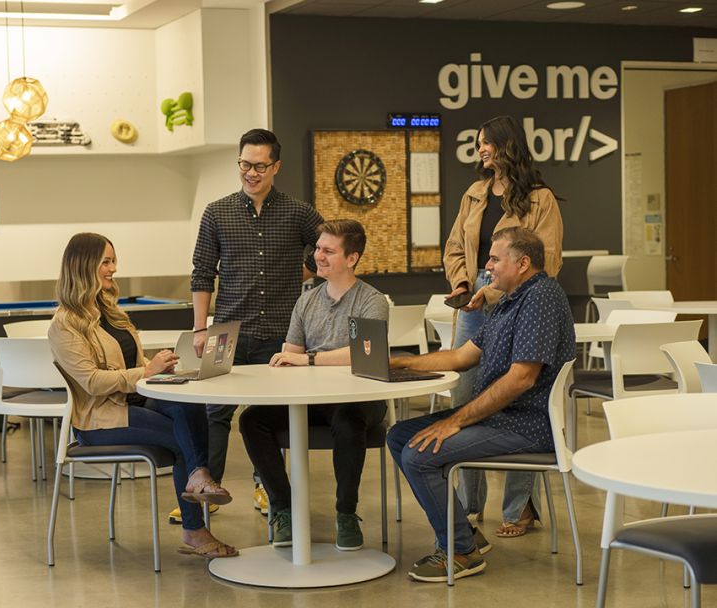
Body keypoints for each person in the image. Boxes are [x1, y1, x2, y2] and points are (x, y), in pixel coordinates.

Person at [387, 227, 575, 581]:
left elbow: (522, 378)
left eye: (494, 258)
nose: (486, 266)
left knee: (418, 454)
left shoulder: (542, 298)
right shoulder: (510, 300)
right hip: (502, 419)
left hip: (528, 425)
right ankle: (465, 533)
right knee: (399, 436)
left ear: (522, 263)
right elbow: (461, 356)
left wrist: (456, 420)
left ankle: (461, 553)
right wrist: (398, 362)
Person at [48, 232, 238, 558]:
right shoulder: (65, 324)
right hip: (101, 420)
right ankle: (195, 525)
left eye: (113, 260)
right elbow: (92, 382)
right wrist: (147, 374)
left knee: (187, 403)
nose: (113, 269)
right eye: (106, 262)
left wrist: (162, 371)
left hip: (132, 401)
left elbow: (133, 363)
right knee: (183, 439)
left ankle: (199, 479)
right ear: (84, 266)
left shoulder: (110, 311)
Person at [189, 128, 324, 520]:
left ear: (275, 166)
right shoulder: (217, 212)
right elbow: (201, 273)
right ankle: (206, 494)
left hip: (282, 334)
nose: (251, 172)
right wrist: (200, 328)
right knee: (214, 415)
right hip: (224, 332)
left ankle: (267, 490)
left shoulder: (298, 212)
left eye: (259, 166)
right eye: (244, 164)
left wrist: (294, 274)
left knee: (272, 417)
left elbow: (328, 248)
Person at [443, 115, 564, 538]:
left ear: (505, 145)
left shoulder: (539, 198)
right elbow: (456, 245)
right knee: (465, 392)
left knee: (518, 394)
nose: (480, 150)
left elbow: (546, 259)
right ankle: (467, 505)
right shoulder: (474, 193)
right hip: (473, 297)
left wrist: (494, 290)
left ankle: (518, 508)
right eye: (478, 144)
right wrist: (462, 281)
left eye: (485, 143)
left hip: (519, 297)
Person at [238, 219, 387, 551]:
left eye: (328, 251)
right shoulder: (306, 300)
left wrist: (309, 359)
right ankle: (284, 510)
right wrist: (288, 359)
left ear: (352, 258)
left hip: (359, 401)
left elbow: (365, 354)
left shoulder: (370, 300)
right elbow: (292, 354)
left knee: (348, 421)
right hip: (312, 401)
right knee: (252, 420)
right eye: (318, 248)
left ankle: (346, 513)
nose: (318, 256)